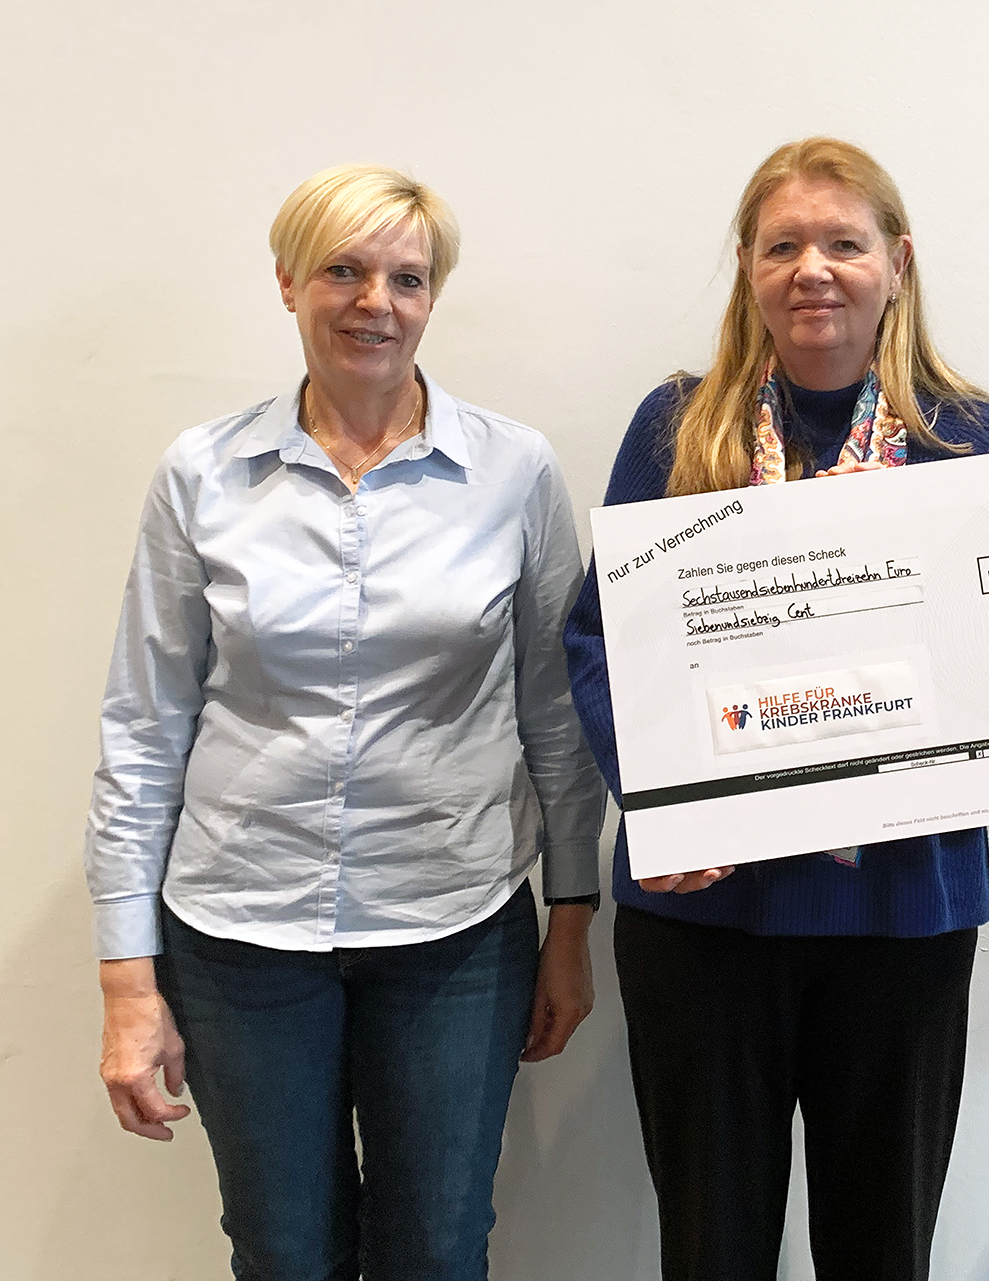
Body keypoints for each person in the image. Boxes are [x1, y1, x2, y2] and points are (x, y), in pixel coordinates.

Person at [85, 164, 606, 1281]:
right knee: (284, 1253)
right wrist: (127, 981)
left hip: (454, 927)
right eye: (344, 271)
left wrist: (571, 916)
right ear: (288, 283)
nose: (377, 302)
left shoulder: (512, 471)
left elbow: (554, 716)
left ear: (432, 297)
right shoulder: (202, 474)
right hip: (240, 932)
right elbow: (144, 725)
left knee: (437, 1251)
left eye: (406, 279)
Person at [563, 137, 989, 1281]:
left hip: (901, 916)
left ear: (896, 262)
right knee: (711, 1252)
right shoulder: (676, 428)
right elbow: (596, 640)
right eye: (782, 247)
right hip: (704, 920)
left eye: (842, 243)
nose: (812, 269)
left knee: (880, 1251)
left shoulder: (962, 436)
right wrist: (662, 803)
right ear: (747, 268)